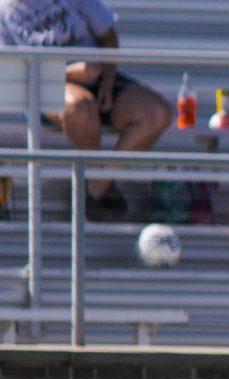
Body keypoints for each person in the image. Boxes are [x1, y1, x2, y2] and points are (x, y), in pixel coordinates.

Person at [0, 0, 171, 221]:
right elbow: (12, 74)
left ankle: (97, 185)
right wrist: (70, 74)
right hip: (46, 86)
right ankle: (96, 188)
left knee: (156, 113)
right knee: (80, 107)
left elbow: (108, 38)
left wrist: (108, 83)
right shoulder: (4, 12)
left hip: (100, 79)